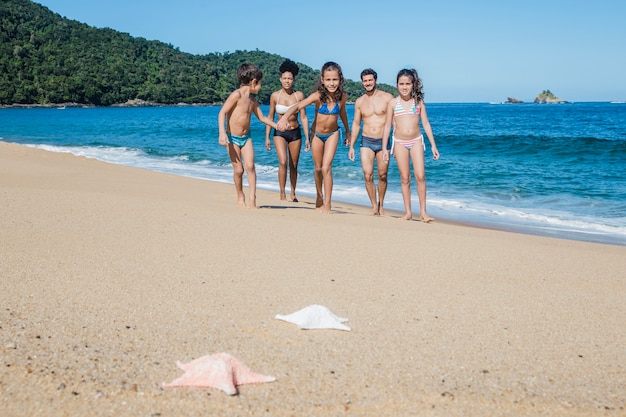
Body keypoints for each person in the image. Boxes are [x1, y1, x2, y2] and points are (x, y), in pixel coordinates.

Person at [277, 61, 350, 214]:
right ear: (322, 80)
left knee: (326, 167)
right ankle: (319, 195)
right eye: (328, 80)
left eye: (335, 79)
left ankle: (328, 204)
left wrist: (348, 132)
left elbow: (342, 114)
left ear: (340, 79)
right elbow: (298, 106)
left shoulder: (343, 97)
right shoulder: (318, 96)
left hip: (333, 133)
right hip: (317, 135)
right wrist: (284, 118)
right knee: (318, 169)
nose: (332, 83)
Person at [382, 68, 440, 221]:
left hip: (416, 141)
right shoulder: (393, 103)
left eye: (408, 83)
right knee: (405, 178)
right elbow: (387, 126)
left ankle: (423, 212)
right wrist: (385, 148)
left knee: (420, 176)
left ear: (413, 84)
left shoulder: (418, 102)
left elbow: (426, 124)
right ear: (397, 85)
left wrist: (433, 145)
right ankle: (408, 212)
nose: (405, 87)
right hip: (399, 142)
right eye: (401, 84)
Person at [218, 63, 278, 209]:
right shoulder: (236, 95)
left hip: (246, 139)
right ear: (253, 82)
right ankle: (240, 195)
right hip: (232, 138)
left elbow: (263, 118)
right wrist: (222, 133)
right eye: (260, 83)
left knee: (250, 166)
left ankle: (252, 198)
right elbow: (222, 113)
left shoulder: (252, 101)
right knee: (239, 170)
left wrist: (278, 126)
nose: (260, 87)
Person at [348, 69, 394, 215]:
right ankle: (374, 205)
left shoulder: (387, 98)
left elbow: (395, 121)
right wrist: (351, 146)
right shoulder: (360, 101)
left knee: (382, 175)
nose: (368, 83)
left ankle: (381, 204)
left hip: (383, 142)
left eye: (370, 80)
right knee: (367, 175)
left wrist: (396, 143)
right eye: (365, 81)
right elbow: (356, 124)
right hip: (366, 141)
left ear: (375, 80)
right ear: (362, 82)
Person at [265, 59, 310, 202]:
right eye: (284, 78)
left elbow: (303, 117)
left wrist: (308, 137)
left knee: (294, 165)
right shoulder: (274, 96)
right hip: (279, 133)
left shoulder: (299, 96)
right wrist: (267, 137)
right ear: (280, 79)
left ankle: (293, 193)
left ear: (294, 80)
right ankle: (282, 192)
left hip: (295, 132)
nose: (287, 81)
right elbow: (270, 116)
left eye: (290, 78)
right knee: (283, 162)